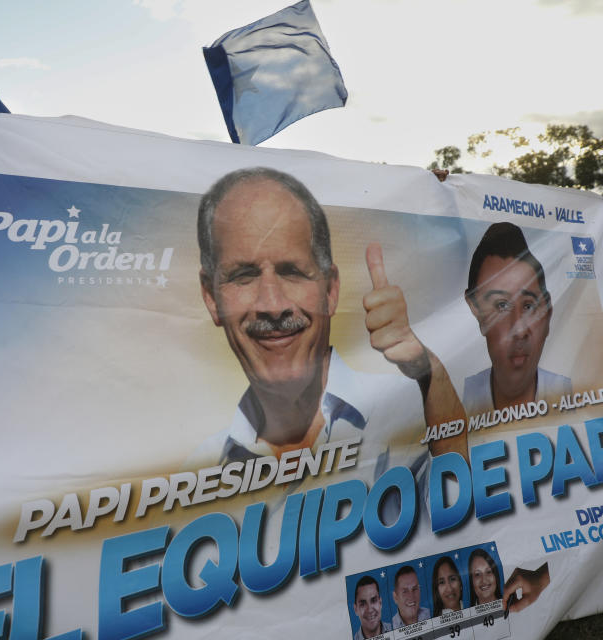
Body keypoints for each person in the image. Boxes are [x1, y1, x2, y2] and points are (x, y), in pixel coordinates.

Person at [191, 167, 467, 469]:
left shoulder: (410, 408)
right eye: (244, 276)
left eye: (292, 271)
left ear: (331, 289)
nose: (272, 305)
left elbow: (467, 494)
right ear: (210, 298)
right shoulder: (200, 469)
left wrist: (430, 372)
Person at [463, 222, 570, 414]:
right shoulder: (455, 402)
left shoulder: (577, 396)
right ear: (475, 309)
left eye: (529, 306)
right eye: (501, 306)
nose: (519, 330)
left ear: (547, 313)